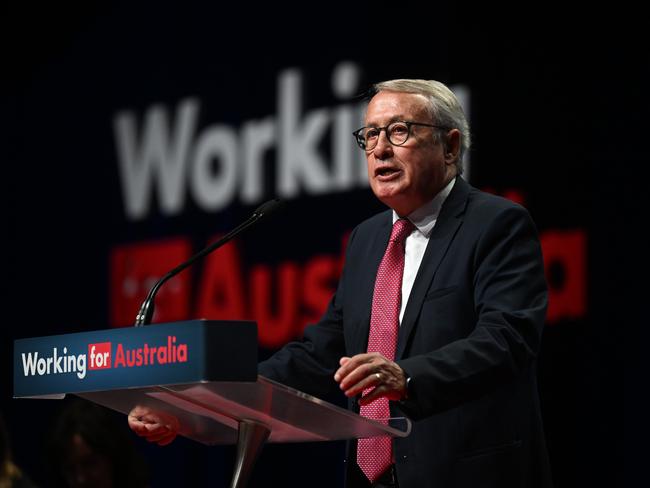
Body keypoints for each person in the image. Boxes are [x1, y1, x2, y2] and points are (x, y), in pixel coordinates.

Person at [129, 79, 553, 488]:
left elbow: (507, 338)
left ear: (451, 146)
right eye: (369, 135)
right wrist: (196, 404)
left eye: (400, 131)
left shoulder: (496, 224)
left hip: (465, 472)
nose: (380, 148)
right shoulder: (368, 239)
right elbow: (320, 355)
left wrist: (408, 376)